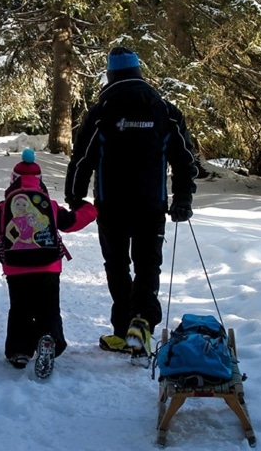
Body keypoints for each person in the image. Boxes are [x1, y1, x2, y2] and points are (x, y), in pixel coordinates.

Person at [64, 47, 198, 365]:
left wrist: (74, 197)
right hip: (152, 204)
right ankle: (143, 324)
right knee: (148, 265)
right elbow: (185, 159)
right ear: (139, 73)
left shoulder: (102, 110)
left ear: (110, 75)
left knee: (118, 266)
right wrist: (183, 198)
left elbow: (82, 158)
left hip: (111, 205)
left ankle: (124, 329)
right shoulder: (165, 111)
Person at [0, 149, 97, 378]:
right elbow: (72, 222)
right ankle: (50, 339)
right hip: (48, 266)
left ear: (13, 180)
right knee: (49, 307)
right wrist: (90, 208)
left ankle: (19, 350)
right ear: (40, 181)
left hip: (16, 269)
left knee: (20, 308)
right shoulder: (51, 205)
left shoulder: (6, 206)